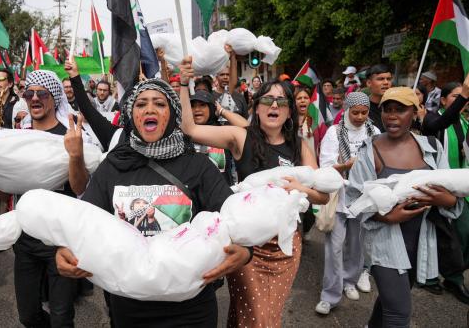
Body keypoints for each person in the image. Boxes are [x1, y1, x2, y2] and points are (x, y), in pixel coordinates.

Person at [56, 77, 252, 327]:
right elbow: (85, 222)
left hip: (191, 308)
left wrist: (246, 252)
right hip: (129, 307)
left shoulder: (198, 166)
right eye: (141, 105)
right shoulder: (113, 166)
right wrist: (65, 250)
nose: (149, 109)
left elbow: (235, 218)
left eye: (159, 103)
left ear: (172, 114)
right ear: (130, 115)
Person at [178, 56, 329, 327]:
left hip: (285, 247)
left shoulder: (301, 146)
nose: (274, 105)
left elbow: (323, 196)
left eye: (281, 101)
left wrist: (298, 188)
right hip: (247, 245)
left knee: (259, 313)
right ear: (256, 108)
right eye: (267, 100)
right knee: (259, 319)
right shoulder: (241, 136)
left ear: (289, 110)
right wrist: (183, 83)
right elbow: (189, 129)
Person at [346, 87, 463, 327]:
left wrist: (445, 200)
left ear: (416, 112)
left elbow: (452, 194)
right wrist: (386, 217)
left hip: (420, 241)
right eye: (387, 110)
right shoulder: (370, 150)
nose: (392, 116)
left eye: (400, 110)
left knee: (391, 301)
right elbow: (353, 200)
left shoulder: (432, 147)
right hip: (383, 242)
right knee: (399, 313)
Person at [0, 70, 86, 327]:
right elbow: (9, 195)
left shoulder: (68, 135)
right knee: (28, 316)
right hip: (25, 240)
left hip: (61, 238)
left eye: (42, 93)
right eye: (29, 93)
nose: (34, 98)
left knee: (61, 317)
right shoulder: (17, 139)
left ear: (55, 97)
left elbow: (80, 187)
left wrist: (74, 155)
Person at [314, 92, 380, 315]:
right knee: (334, 249)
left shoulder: (374, 133)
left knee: (357, 246)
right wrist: (346, 166)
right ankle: (329, 295)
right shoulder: (334, 132)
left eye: (364, 112)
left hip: (362, 199)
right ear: (347, 111)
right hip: (340, 198)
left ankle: (349, 281)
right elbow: (325, 166)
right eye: (355, 112)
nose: (360, 117)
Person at [419, 77, 469, 302]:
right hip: (438, 186)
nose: (462, 101)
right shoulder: (432, 119)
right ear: (443, 100)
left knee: (463, 234)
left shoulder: (465, 123)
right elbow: (442, 123)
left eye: (463, 97)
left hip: (462, 188)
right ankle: (448, 279)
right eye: (456, 97)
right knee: (441, 235)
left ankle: (451, 274)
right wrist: (466, 93)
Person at [213, 46, 249, 119]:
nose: (225, 77)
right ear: (216, 77)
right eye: (222, 75)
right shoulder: (210, 96)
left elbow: (245, 120)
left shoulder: (240, 97)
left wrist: (232, 55)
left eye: (228, 75)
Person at [365, 64, 393, 131]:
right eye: (380, 79)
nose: (386, 82)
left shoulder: (396, 106)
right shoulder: (362, 108)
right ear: (369, 83)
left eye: (389, 79)